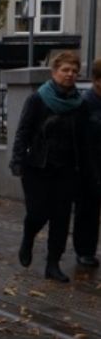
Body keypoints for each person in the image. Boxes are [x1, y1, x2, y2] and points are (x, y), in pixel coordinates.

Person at [10, 51, 86, 283]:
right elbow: (23, 131)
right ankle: (28, 236)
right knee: (38, 213)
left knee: (61, 218)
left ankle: (53, 264)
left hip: (66, 169)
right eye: (65, 70)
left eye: (74, 71)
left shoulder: (79, 104)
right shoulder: (38, 99)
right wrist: (17, 160)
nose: (70, 74)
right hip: (37, 167)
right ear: (54, 72)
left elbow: (83, 139)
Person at [76, 58, 101, 268]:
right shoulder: (86, 103)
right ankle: (85, 250)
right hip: (90, 165)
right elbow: (81, 140)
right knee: (88, 210)